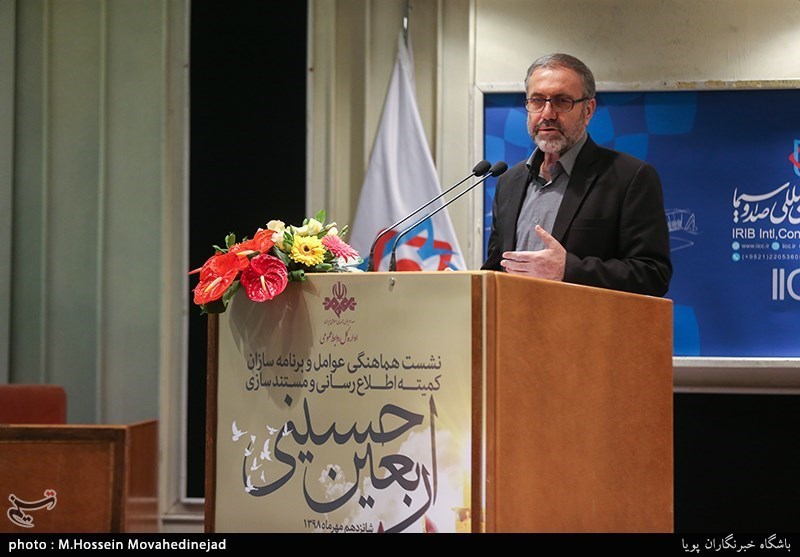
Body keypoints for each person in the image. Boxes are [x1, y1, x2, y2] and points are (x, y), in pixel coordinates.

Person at [481, 53, 672, 297]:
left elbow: (653, 274)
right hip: (513, 319)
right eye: (537, 100)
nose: (547, 113)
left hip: (584, 321)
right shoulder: (510, 181)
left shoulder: (629, 178)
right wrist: (469, 286)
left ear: (588, 110)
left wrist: (567, 269)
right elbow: (497, 267)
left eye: (562, 101)